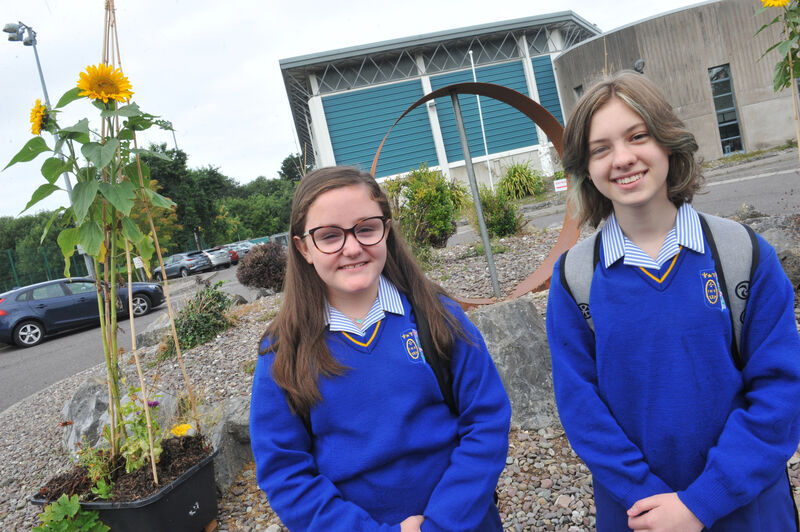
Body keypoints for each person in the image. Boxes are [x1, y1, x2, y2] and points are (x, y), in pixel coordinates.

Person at [546, 71, 800, 531]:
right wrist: (650, 501)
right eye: (601, 148)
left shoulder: (742, 254)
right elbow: (582, 410)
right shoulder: (575, 280)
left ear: (667, 141)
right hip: (639, 517)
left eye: (637, 136)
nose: (622, 159)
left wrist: (701, 503)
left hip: (750, 512)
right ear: (585, 166)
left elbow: (780, 392)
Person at [249, 166, 511, 532]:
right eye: (329, 236)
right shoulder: (282, 352)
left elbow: (486, 419)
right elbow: (285, 473)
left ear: (386, 230)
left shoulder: (437, 315)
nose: (352, 247)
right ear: (303, 247)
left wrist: (443, 522)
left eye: (366, 228)